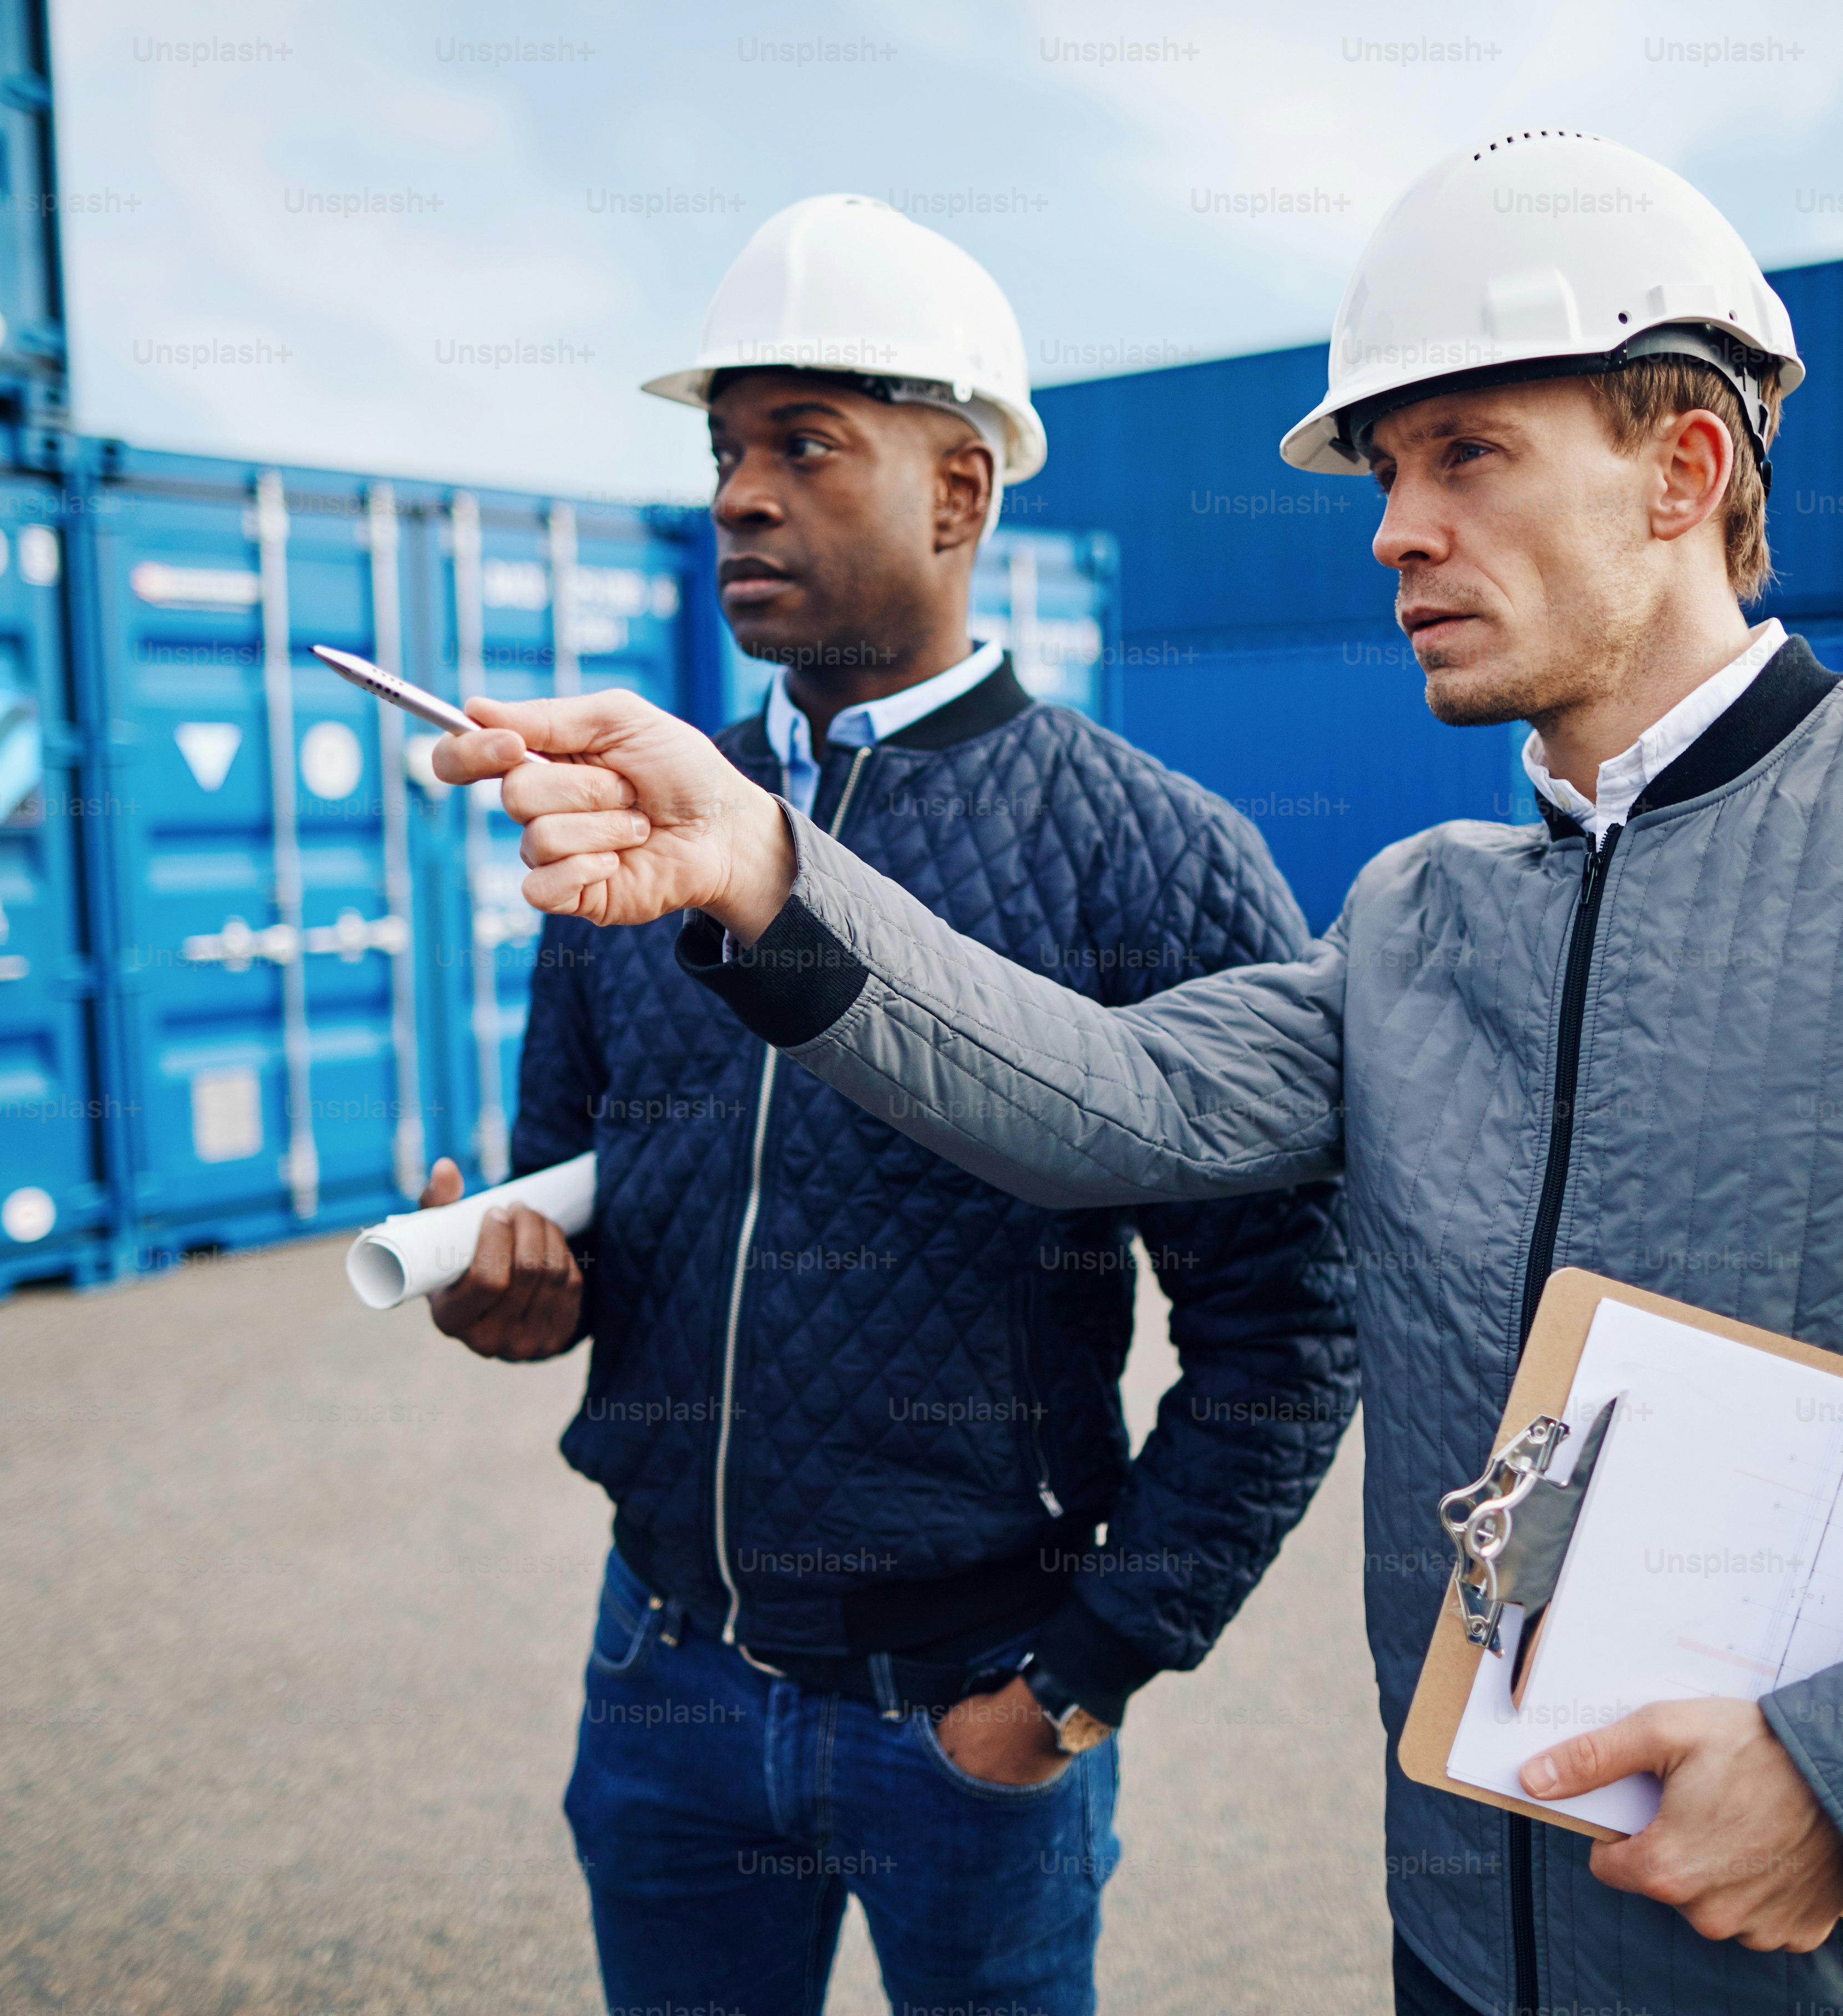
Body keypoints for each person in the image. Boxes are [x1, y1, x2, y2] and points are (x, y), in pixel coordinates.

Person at [434, 134, 1843, 2016]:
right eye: (1386, 474)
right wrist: (774, 877)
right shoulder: (1417, 915)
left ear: (1685, 468)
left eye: (1469, 459)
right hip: (1462, 1959)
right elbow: (1108, 1104)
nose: (1397, 531)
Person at [410, 193, 1355, 2016]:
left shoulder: (1151, 856)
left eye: (805, 446)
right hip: (663, 1681)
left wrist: (1082, 1673)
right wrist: (507, 1291)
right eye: (725, 448)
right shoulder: (631, 839)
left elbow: (1288, 1328)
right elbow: (576, 1196)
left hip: (969, 1716)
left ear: (963, 494)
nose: (738, 496)